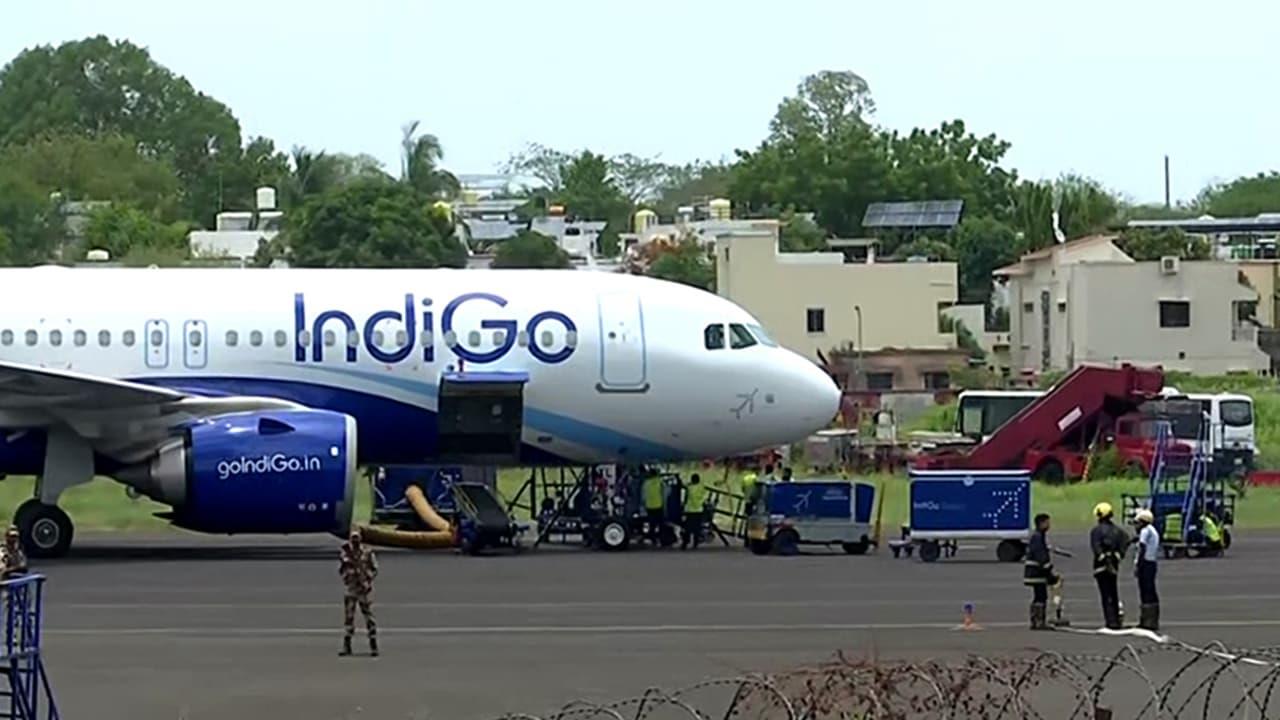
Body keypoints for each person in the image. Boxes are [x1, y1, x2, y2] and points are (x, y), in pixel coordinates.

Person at [1090, 502, 1130, 630]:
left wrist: (1102, 557)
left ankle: (1110, 620)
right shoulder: (1118, 531)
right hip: (1114, 564)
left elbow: (1096, 547)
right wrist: (1118, 555)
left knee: (1105, 594)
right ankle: (1116, 619)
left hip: (1100, 566)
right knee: (1113, 593)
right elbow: (1126, 540)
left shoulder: (1096, 531)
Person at [338, 529, 378, 657]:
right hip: (351, 588)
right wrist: (348, 578)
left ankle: (373, 643)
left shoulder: (367, 552)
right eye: (353, 538)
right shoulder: (346, 552)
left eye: (357, 538)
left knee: (369, 617)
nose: (355, 541)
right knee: (349, 617)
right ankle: (347, 644)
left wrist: (367, 579)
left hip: (364, 589)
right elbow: (342, 569)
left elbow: (374, 568)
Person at [1023, 513, 1060, 630]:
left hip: (1034, 572)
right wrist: (1050, 574)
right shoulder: (1038, 538)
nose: (1049, 525)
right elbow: (1042, 557)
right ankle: (1039, 621)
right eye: (1047, 522)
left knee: (1038, 596)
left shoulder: (1037, 536)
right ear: (1041, 523)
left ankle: (1036, 620)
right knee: (1041, 596)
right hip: (1036, 573)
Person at [1133, 508, 1160, 631]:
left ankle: (1147, 620)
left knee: (1146, 591)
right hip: (1152, 562)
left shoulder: (1145, 531)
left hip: (1146, 563)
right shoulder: (1152, 530)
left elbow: (1142, 548)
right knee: (1151, 590)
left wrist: (1138, 565)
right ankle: (1152, 619)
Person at [681, 474, 709, 550]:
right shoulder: (702, 487)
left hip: (690, 510)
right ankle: (695, 543)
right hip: (699, 509)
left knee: (687, 528)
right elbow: (705, 498)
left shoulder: (689, 488)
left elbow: (686, 497)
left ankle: (685, 543)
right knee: (697, 528)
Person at [641, 472, 666, 545]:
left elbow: (643, 496)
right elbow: (664, 493)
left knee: (652, 524)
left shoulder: (645, 483)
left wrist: (644, 505)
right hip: (659, 505)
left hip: (649, 506)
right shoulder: (660, 482)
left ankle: (653, 539)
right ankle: (662, 540)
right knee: (661, 524)